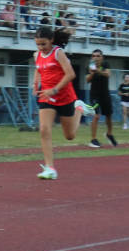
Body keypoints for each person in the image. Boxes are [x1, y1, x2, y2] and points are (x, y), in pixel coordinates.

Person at [32, 25, 90, 180]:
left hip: (64, 95)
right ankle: (50, 168)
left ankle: (79, 107)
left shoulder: (58, 53)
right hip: (46, 96)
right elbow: (38, 69)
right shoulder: (36, 54)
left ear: (51, 40)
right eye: (38, 44)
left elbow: (71, 74)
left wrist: (55, 89)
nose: (41, 47)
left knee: (70, 136)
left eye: (43, 44)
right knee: (44, 129)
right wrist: (35, 83)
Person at [85, 49, 117, 147]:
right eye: (94, 56)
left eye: (98, 56)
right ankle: (93, 139)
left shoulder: (105, 64)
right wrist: (92, 73)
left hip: (105, 94)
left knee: (109, 116)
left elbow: (108, 74)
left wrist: (98, 70)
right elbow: (87, 80)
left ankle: (109, 134)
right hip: (94, 95)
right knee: (96, 115)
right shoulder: (90, 67)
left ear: (102, 57)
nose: (96, 58)